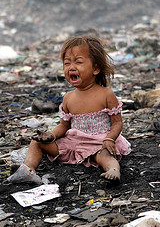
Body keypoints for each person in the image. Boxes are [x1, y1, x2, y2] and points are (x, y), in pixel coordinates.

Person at [7, 36, 131, 185]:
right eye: (67, 63)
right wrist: (51, 135)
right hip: (74, 143)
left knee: (105, 156)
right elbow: (64, 126)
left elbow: (117, 123)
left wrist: (110, 139)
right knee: (36, 142)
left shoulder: (106, 94)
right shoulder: (68, 98)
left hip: (99, 142)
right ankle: (28, 169)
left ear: (96, 68)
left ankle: (113, 171)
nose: (71, 67)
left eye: (78, 62)